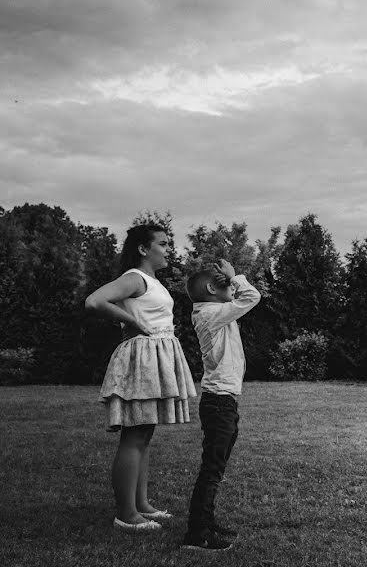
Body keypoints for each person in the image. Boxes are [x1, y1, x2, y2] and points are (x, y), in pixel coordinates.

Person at [85, 223, 197, 532]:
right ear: (143, 249)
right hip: (141, 359)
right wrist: (131, 321)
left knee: (144, 434)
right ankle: (126, 514)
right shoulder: (134, 278)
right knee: (134, 435)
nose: (168, 248)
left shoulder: (151, 281)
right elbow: (94, 301)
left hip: (154, 357)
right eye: (162, 243)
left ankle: (141, 505)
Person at [182, 259, 261, 551]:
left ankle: (206, 522)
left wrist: (230, 280)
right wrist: (235, 275)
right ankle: (197, 534)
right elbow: (252, 297)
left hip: (223, 401)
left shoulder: (215, 312)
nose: (232, 287)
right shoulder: (210, 314)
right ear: (211, 289)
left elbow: (242, 300)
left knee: (216, 466)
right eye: (226, 283)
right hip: (219, 403)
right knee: (212, 469)